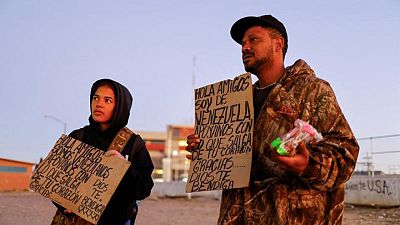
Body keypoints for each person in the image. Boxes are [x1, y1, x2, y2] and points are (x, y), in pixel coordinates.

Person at [186, 15, 359, 225]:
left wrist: (307, 165)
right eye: (242, 43)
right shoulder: (236, 101)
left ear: (278, 44)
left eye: (253, 40)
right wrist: (206, 150)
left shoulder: (313, 91)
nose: (244, 47)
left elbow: (346, 154)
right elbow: (233, 163)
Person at [51, 78, 154, 225]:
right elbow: (54, 179)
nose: (99, 104)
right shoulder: (78, 137)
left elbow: (144, 189)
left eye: (107, 100)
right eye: (95, 98)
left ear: (120, 106)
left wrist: (123, 168)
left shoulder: (133, 143)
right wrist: (62, 205)